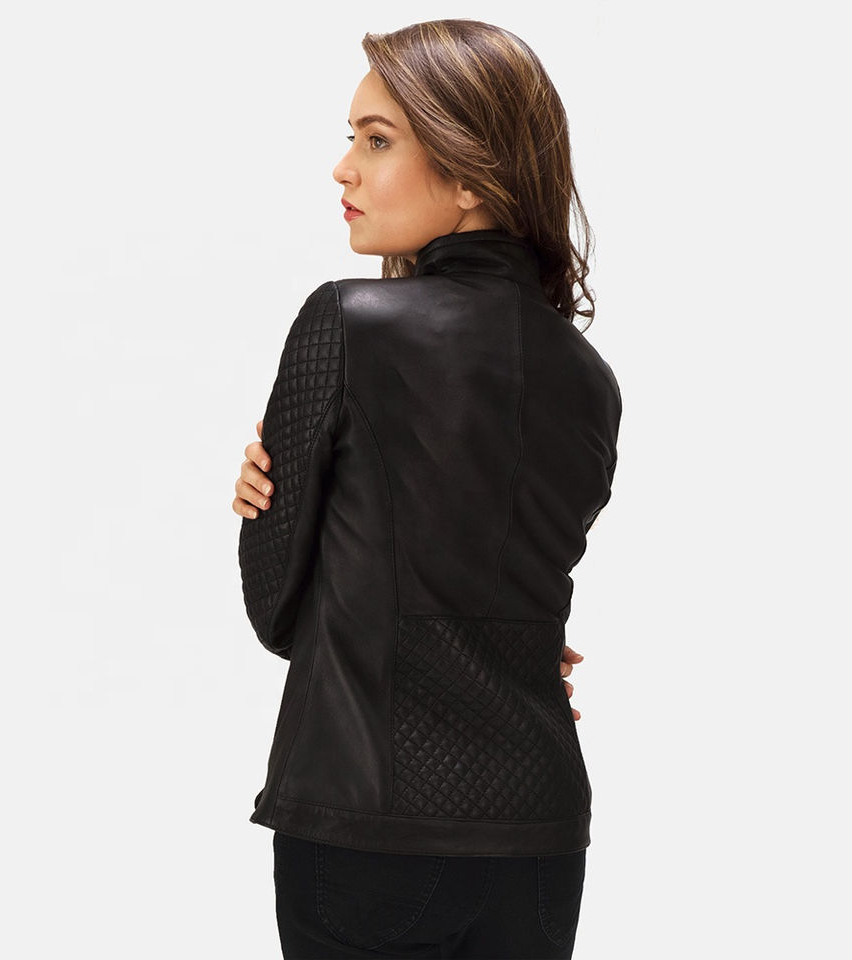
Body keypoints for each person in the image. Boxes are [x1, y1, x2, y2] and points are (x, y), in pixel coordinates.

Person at [232, 19, 622, 959]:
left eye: (377, 141)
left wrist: (271, 507)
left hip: (366, 830)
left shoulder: (346, 322)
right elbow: (501, 594)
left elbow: (279, 614)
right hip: (539, 837)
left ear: (472, 175)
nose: (343, 168)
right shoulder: (591, 378)